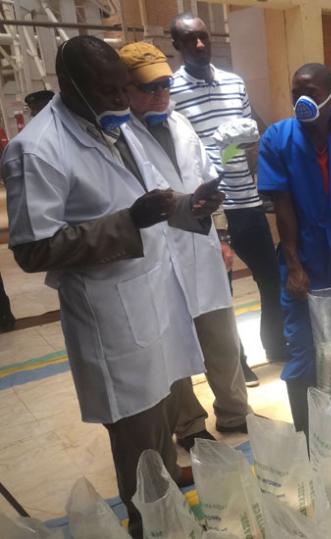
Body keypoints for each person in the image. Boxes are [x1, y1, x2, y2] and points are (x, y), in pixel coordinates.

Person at [2, 35, 222, 538]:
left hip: (155, 305)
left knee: (159, 427)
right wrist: (127, 222)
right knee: (139, 446)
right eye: (108, 90)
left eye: (124, 87)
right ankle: (153, 527)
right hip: (114, 324)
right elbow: (32, 250)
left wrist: (192, 207)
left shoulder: (119, 128)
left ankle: (171, 517)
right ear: (69, 85)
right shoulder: (36, 150)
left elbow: (152, 202)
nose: (122, 100)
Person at [118, 42, 251, 449]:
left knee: (222, 341)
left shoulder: (180, 124)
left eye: (164, 85)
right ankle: (189, 424)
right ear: (124, 89)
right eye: (148, 88)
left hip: (200, 246)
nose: (160, 94)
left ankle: (234, 413)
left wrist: (219, 220)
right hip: (157, 256)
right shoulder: (119, 137)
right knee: (173, 348)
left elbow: (206, 171)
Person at [257, 63, 331, 434]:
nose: (302, 100)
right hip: (302, 266)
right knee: (303, 355)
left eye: (310, 92)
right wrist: (293, 266)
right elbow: (283, 205)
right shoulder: (277, 139)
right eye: (296, 93)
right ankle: (307, 439)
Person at [170, 13, 284, 386]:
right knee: (224, 291)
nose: (200, 44)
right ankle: (238, 360)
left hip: (246, 198)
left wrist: (249, 151)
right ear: (179, 46)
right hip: (210, 207)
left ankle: (277, 343)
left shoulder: (235, 83)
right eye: (190, 40)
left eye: (204, 37)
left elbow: (249, 131)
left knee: (270, 276)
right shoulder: (170, 91)